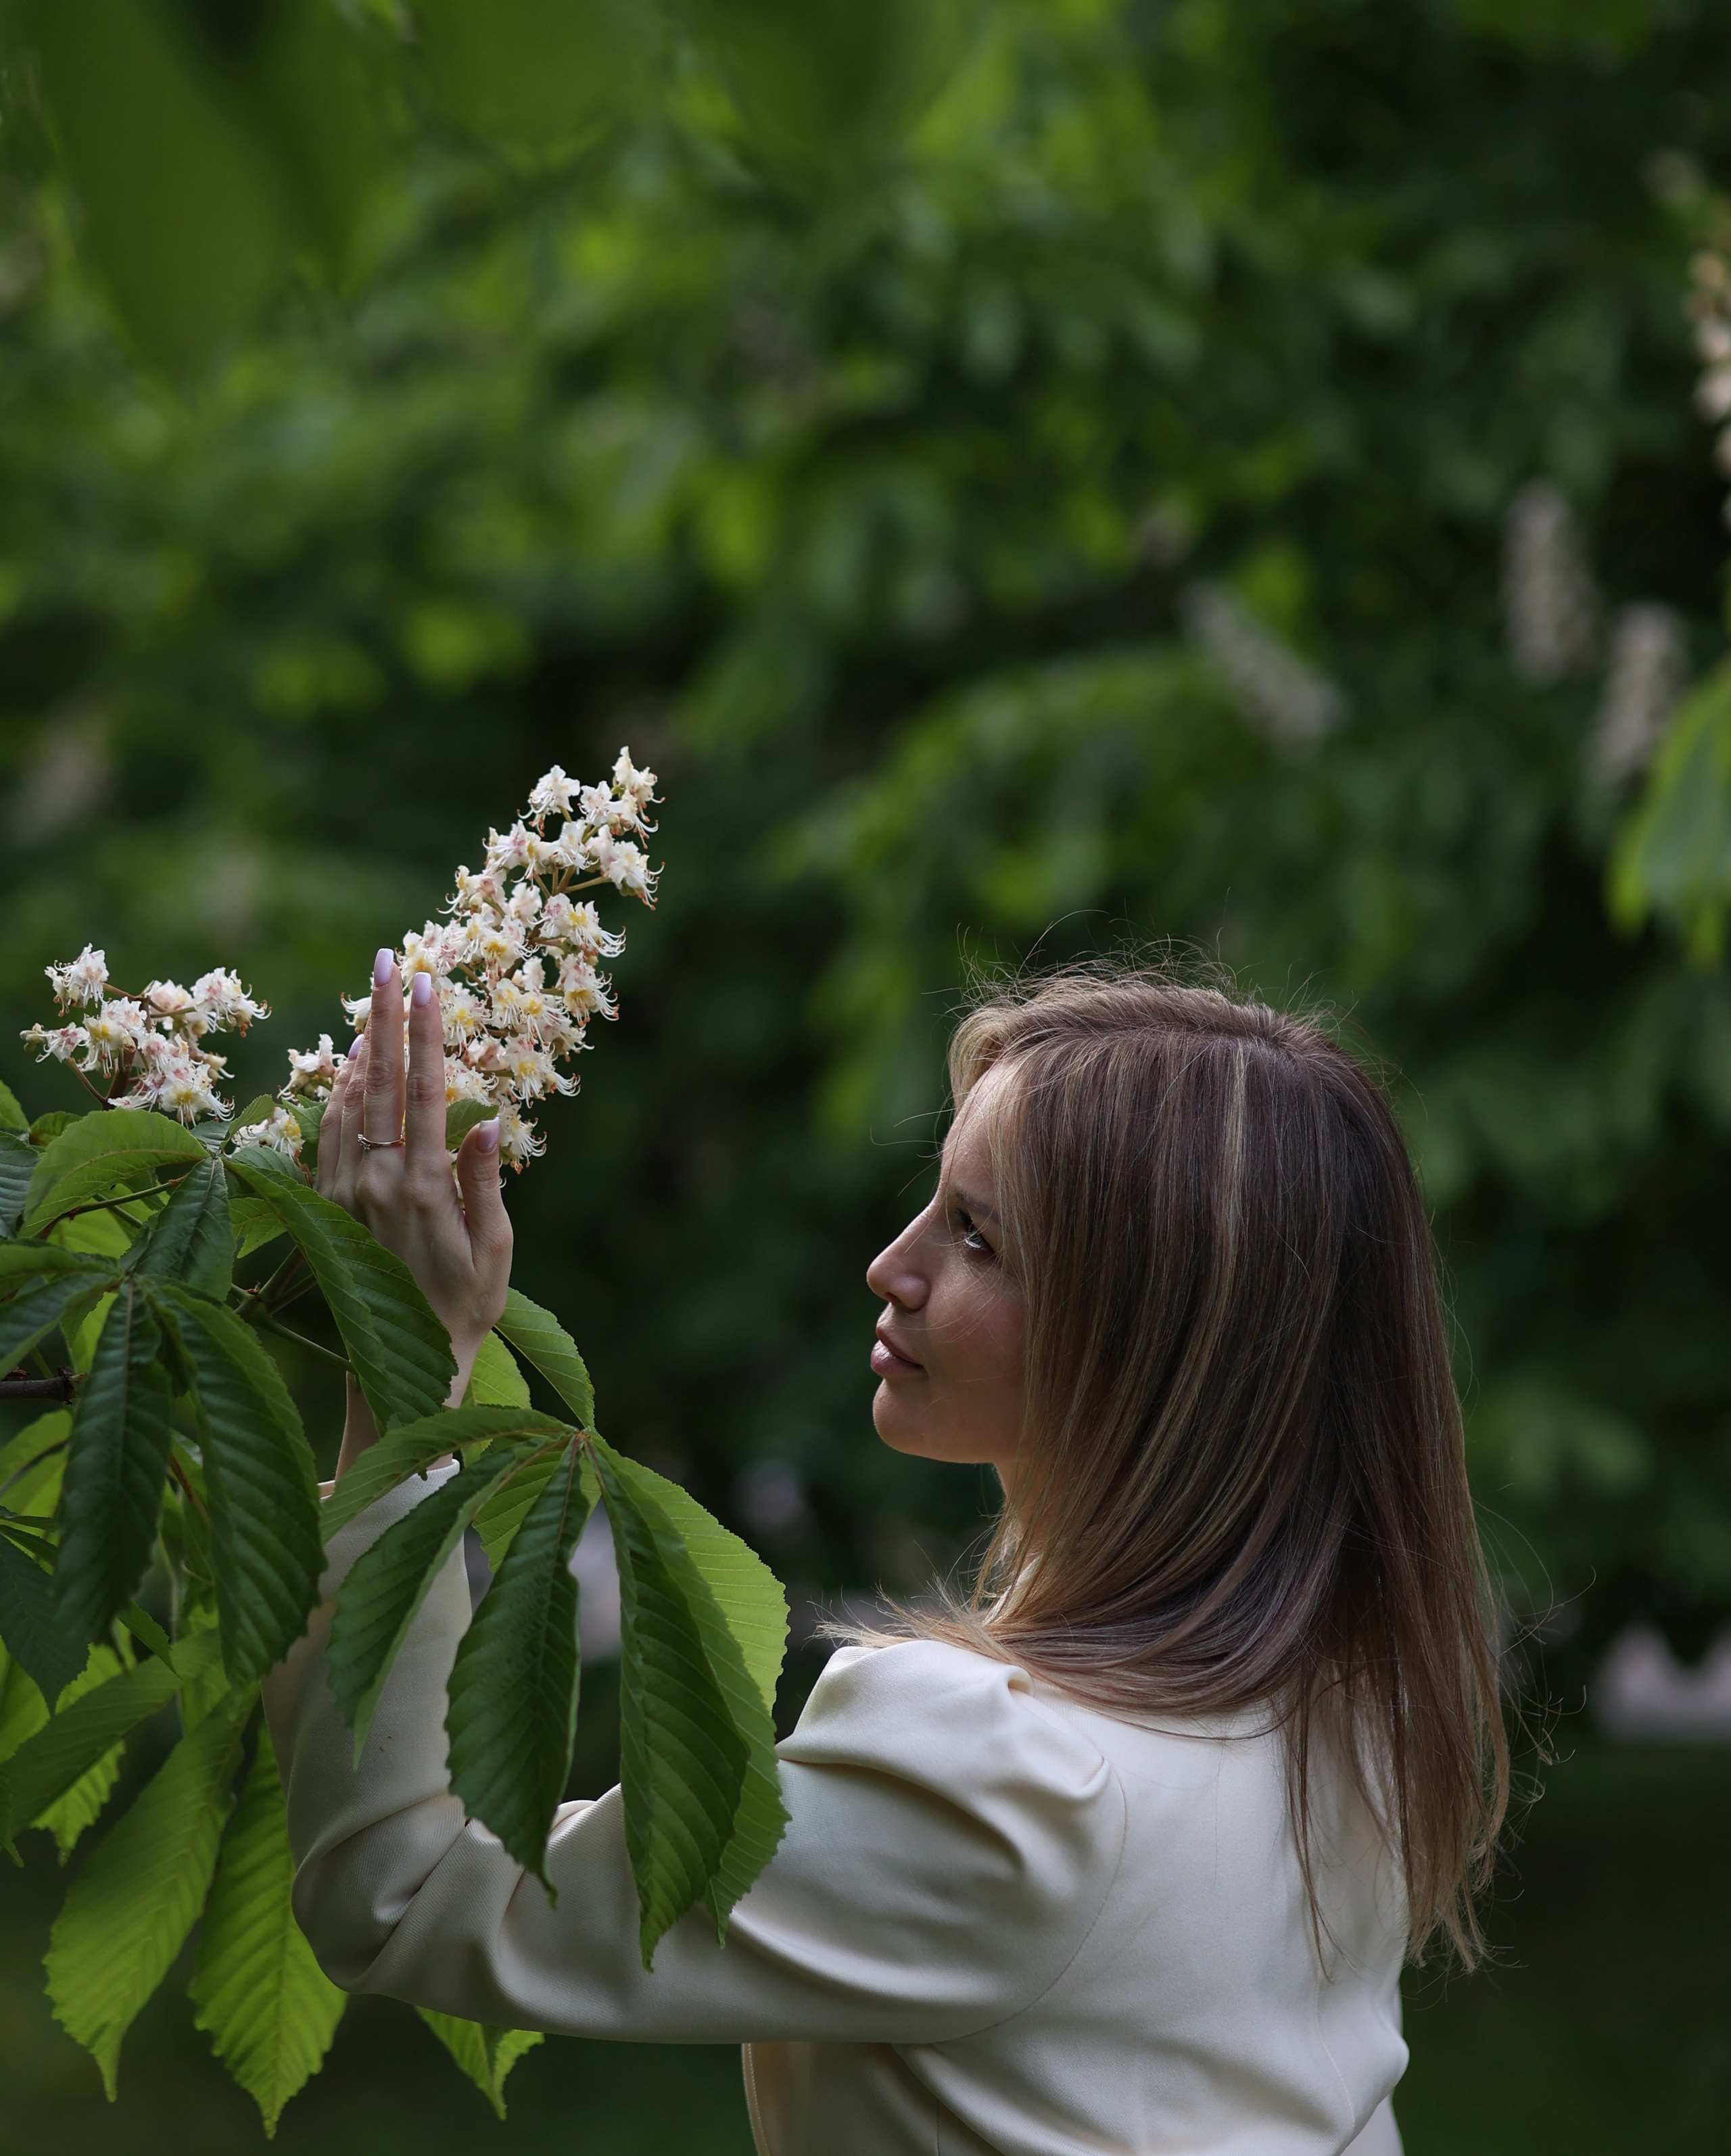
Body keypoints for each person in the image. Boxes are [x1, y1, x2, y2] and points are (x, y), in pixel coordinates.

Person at [265, 951, 1507, 2156]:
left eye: (977, 1236)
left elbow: (401, 1891)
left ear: (1145, 1339)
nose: (891, 1266)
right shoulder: (1354, 1706)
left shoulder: (1003, 1777)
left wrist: (406, 1365)